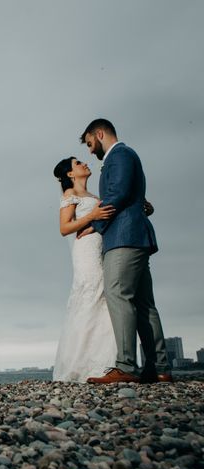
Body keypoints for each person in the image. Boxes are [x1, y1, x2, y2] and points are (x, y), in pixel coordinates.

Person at [79, 119, 171, 384]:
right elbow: (130, 194)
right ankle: (160, 368)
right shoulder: (127, 156)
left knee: (117, 294)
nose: (89, 150)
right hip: (136, 237)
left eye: (89, 143)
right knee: (144, 304)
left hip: (123, 237)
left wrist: (93, 225)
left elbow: (117, 194)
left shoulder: (119, 155)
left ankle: (127, 366)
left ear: (99, 134)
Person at [52, 157, 118, 382]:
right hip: (85, 251)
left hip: (101, 248)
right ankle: (80, 365)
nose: (84, 164)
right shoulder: (70, 195)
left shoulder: (94, 196)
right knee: (90, 294)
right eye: (78, 163)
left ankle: (107, 362)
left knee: (105, 299)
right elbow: (64, 228)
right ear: (70, 174)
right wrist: (92, 216)